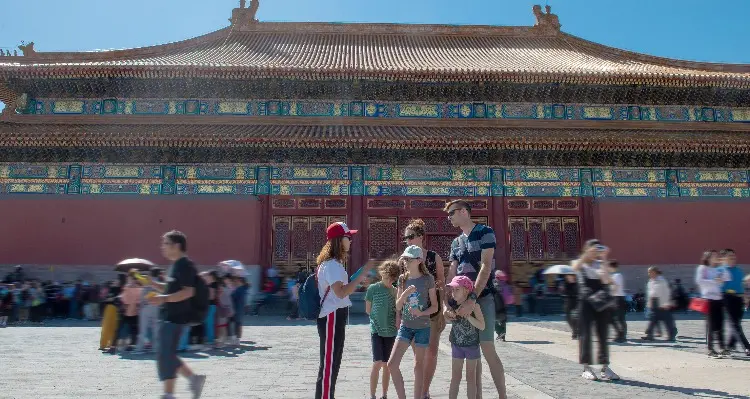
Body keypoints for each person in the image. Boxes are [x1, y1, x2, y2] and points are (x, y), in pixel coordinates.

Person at [444, 199, 507, 397]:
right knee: (472, 350)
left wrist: (472, 298)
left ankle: (503, 396)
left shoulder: (485, 232)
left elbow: (486, 266)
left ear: (463, 212)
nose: (449, 217)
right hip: (461, 301)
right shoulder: (456, 242)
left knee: (487, 347)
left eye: (451, 213)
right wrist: (448, 303)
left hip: (482, 297)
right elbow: (452, 273)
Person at [315, 222, 371, 399]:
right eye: (348, 237)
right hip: (331, 316)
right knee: (329, 363)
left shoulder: (334, 264)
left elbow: (342, 290)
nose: (350, 240)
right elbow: (340, 293)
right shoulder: (332, 265)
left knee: (333, 361)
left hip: (335, 315)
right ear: (339, 240)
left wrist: (358, 280)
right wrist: (361, 276)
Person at [147, 230, 206, 399]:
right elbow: (169, 289)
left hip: (175, 317)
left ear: (177, 246)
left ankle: (172, 391)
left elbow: (188, 292)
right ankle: (183, 385)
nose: (162, 247)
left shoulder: (185, 265)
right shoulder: (174, 266)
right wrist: (152, 284)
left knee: (165, 354)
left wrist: (163, 298)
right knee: (166, 354)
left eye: (165, 243)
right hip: (168, 315)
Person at [388, 245, 438, 399]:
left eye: (409, 259)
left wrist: (422, 312)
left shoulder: (428, 279)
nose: (405, 262)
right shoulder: (403, 279)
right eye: (404, 259)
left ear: (419, 260)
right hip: (406, 327)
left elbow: (435, 306)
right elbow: (397, 305)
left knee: (418, 366)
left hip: (423, 327)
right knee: (392, 364)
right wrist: (404, 295)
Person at [403, 218, 445, 399]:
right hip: (413, 313)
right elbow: (400, 287)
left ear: (421, 237)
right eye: (406, 238)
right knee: (419, 354)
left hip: (432, 312)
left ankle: (425, 390)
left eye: (411, 237)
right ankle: (419, 391)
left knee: (432, 352)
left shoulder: (433, 257)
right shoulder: (404, 259)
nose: (408, 241)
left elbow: (441, 283)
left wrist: (442, 309)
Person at [572, 239, 620, 381]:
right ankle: (586, 367)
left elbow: (605, 280)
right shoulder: (579, 263)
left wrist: (604, 257)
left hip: (600, 302)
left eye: (597, 249)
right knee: (585, 335)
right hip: (585, 303)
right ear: (586, 249)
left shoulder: (599, 264)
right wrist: (587, 254)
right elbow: (574, 268)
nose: (595, 251)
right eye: (593, 249)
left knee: (603, 335)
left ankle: (605, 367)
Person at [365, 260, 400, 399]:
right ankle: (372, 394)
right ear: (381, 274)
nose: (388, 280)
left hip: (391, 331)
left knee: (387, 365)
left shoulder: (396, 291)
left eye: (391, 278)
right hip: (377, 330)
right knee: (377, 362)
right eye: (386, 276)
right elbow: (368, 310)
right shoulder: (372, 289)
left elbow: (398, 310)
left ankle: (384, 394)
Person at [446, 276, 485, 399]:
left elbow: (482, 326)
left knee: (471, 377)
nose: (453, 292)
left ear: (466, 290)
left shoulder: (474, 307)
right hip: (457, 345)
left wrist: (469, 317)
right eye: (452, 290)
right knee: (455, 376)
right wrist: (448, 315)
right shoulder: (452, 305)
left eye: (457, 289)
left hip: (472, 346)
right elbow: (446, 318)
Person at [696, 250, 730, 358]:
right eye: (714, 256)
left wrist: (723, 266)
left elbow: (727, 277)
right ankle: (710, 348)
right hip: (708, 299)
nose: (716, 257)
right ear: (708, 257)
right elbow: (700, 281)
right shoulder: (702, 268)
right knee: (711, 325)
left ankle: (722, 347)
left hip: (719, 299)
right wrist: (714, 281)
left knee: (720, 324)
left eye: (717, 256)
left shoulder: (718, 269)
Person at [721, 249, 750, 356]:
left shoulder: (739, 270)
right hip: (728, 298)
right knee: (735, 324)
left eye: (733, 256)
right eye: (730, 256)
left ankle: (729, 346)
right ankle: (747, 346)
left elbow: (741, 286)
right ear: (724, 258)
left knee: (736, 324)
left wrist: (746, 298)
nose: (732, 258)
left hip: (740, 299)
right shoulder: (721, 270)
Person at [642, 266, 677, 342]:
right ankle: (650, 335)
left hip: (662, 301)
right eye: (648, 272)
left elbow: (666, 292)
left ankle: (672, 335)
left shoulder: (661, 280)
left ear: (654, 272)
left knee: (667, 319)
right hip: (654, 302)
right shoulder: (650, 281)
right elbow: (650, 293)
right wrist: (649, 303)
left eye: (650, 272)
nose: (648, 274)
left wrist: (665, 303)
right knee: (653, 318)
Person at [136, 268, 163, 354]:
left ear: (151, 274)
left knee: (143, 329)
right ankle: (155, 348)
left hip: (147, 306)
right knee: (156, 329)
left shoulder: (148, 282)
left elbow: (143, 296)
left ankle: (139, 348)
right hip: (157, 307)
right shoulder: (160, 283)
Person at [100, 274, 125, 353]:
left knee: (111, 327)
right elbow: (107, 299)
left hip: (113, 308)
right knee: (108, 327)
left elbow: (109, 299)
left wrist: (111, 298)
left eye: (117, 280)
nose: (115, 281)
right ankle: (104, 344)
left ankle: (109, 344)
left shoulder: (120, 289)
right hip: (110, 308)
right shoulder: (114, 288)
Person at [608, 260, 627, 343]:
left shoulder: (617, 275)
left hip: (618, 298)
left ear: (613, 267)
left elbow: (615, 287)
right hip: (615, 298)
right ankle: (620, 334)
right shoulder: (613, 276)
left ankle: (622, 336)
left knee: (620, 318)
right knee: (615, 318)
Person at [231, 276, 250, 344]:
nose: (235, 282)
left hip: (237, 308)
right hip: (240, 309)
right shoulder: (244, 289)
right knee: (239, 324)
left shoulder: (239, 289)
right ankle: (237, 338)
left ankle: (236, 339)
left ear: (240, 282)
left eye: (236, 281)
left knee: (236, 324)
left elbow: (233, 298)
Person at [562, 273, 579, 339]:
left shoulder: (578, 282)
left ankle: (575, 332)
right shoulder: (565, 283)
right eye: (568, 276)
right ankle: (575, 330)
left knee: (575, 317)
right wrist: (563, 289)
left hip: (577, 300)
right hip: (568, 301)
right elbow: (564, 292)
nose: (569, 277)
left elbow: (579, 292)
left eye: (571, 276)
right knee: (568, 318)